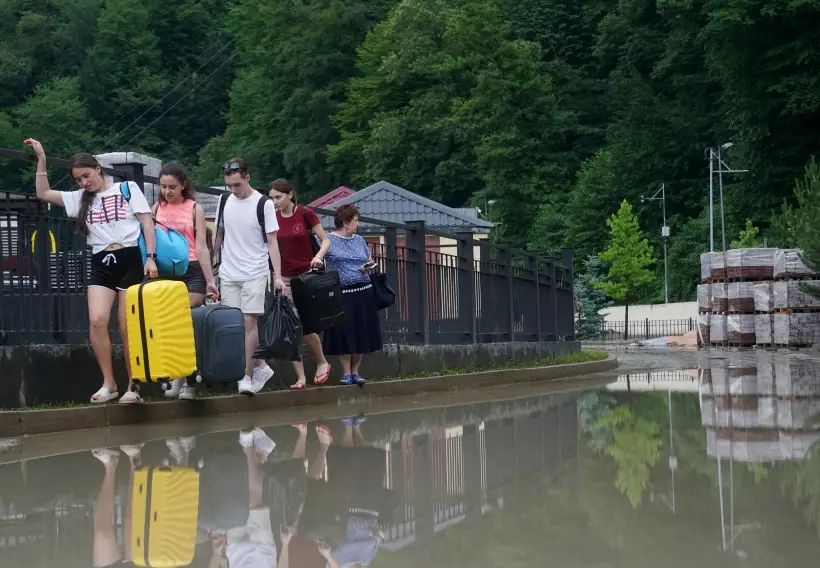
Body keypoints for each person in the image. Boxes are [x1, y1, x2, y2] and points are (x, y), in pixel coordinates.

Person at [24, 138, 157, 404]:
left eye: (86, 175)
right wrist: (41, 159)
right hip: (101, 260)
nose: (84, 182)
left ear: (97, 168)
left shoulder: (127, 188)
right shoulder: (79, 199)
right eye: (78, 179)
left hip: (130, 257)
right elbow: (44, 193)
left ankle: (134, 384)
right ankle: (109, 383)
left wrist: (151, 257)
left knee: (126, 324)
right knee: (97, 321)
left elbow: (146, 223)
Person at [214, 158, 285, 395]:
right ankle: (261, 366)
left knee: (248, 322)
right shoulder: (224, 200)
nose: (233, 190)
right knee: (232, 326)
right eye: (229, 185)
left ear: (247, 177)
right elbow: (219, 235)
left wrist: (278, 276)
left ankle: (245, 375)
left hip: (255, 269)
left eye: (237, 184)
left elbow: (273, 242)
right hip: (229, 271)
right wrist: (212, 270)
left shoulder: (263, 203)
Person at [152, 163, 219, 401]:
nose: (167, 191)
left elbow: (201, 246)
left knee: (186, 321)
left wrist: (210, 280)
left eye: (172, 187)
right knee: (169, 325)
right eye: (163, 187)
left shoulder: (194, 209)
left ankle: (189, 381)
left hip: (192, 269)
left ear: (183, 185)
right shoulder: (157, 207)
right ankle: (176, 374)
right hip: (166, 271)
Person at [268, 178, 333, 390]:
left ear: (290, 195)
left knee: (306, 326)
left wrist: (319, 257)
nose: (275, 202)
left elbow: (325, 240)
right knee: (290, 327)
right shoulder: (272, 218)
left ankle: (322, 362)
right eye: (272, 198)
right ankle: (301, 378)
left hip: (306, 276)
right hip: (283, 277)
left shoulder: (305, 213)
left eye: (278, 197)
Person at [321, 205, 383, 385]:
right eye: (356, 221)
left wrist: (369, 266)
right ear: (345, 223)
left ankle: (356, 371)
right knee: (344, 332)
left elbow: (369, 259)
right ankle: (346, 372)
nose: (358, 224)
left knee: (361, 332)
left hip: (364, 291)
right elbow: (319, 255)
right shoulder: (328, 240)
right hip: (342, 293)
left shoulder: (360, 240)